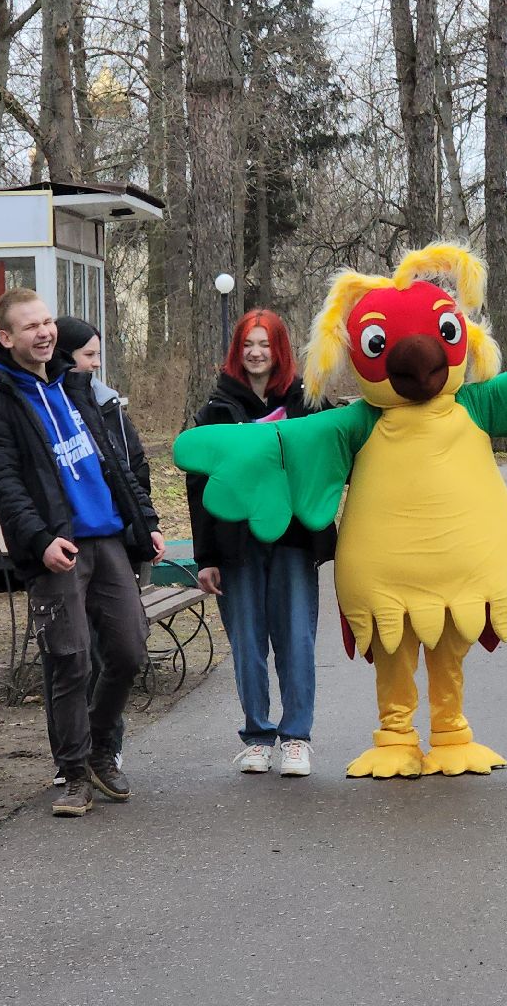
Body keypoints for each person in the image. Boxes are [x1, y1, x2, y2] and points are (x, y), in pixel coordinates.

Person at [0, 289, 166, 817]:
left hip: (108, 542)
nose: (43, 332)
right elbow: (4, 485)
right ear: (6, 338)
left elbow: (115, 464)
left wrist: (145, 521)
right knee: (70, 660)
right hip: (58, 547)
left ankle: (102, 749)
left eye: (47, 322)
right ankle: (74, 774)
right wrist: (39, 540)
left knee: (128, 651)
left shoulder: (76, 387)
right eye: (29, 326)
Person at [185, 309, 334, 777]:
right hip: (235, 548)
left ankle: (296, 738)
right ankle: (257, 735)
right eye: (248, 344)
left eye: (265, 345)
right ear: (236, 351)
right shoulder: (215, 411)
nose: (256, 353)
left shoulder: (307, 403)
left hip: (292, 542)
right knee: (247, 642)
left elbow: (331, 463)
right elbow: (199, 490)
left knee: (295, 640)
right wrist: (206, 557)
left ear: (280, 350)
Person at [54, 317, 154, 508]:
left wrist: (140, 512)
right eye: (89, 355)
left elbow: (134, 460)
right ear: (63, 356)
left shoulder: (106, 401)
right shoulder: (47, 405)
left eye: (98, 354)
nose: (97, 363)